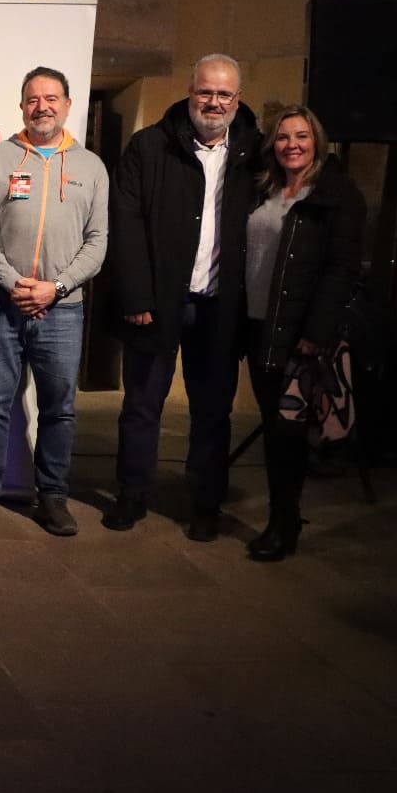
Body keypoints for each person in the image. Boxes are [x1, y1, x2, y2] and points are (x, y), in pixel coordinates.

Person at [106, 54, 260, 540]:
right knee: (141, 406)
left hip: (221, 307)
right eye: (205, 91)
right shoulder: (149, 146)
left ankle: (206, 503)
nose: (213, 102)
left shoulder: (256, 153)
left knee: (213, 412)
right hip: (157, 303)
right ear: (190, 92)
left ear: (237, 99)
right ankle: (132, 495)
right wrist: (136, 295)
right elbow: (125, 222)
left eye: (224, 94)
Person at [0, 67, 108, 536]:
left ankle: (52, 496)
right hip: (1, 305)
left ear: (67, 105)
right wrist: (12, 283)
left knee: (59, 408)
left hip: (63, 310)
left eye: (51, 99)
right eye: (33, 99)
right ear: (22, 105)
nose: (42, 107)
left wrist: (57, 287)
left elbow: (98, 241)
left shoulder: (91, 167)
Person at [241, 106, 363, 561]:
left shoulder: (336, 194)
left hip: (298, 334)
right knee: (275, 429)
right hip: (257, 326)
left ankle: (283, 522)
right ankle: (284, 516)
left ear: (317, 142)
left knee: (287, 432)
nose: (291, 144)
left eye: (301, 136)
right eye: (282, 137)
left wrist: (315, 332)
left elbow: (342, 270)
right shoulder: (265, 190)